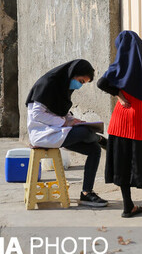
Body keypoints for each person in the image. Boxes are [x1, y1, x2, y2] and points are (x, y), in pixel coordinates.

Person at [97, 31, 142, 218]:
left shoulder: (117, 68)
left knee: (122, 165)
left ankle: (128, 207)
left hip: (120, 123)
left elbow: (101, 83)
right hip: (141, 126)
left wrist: (120, 95)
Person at [26, 59, 108, 207]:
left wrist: (73, 120)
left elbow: (61, 112)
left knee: (94, 150)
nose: (80, 85)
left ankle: (86, 193)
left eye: (83, 83)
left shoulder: (63, 87)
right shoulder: (48, 83)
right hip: (43, 133)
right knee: (84, 133)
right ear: (72, 74)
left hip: (59, 133)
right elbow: (37, 114)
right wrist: (65, 123)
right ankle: (99, 139)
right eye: (81, 81)